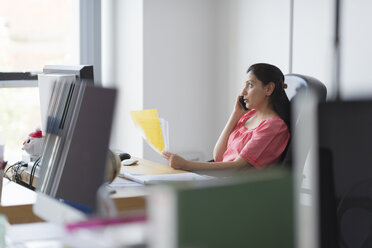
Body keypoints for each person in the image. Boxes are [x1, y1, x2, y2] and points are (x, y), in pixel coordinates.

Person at [162, 63, 290, 171]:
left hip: (240, 189)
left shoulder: (273, 126)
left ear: (268, 89)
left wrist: (187, 165)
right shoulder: (249, 116)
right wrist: (235, 115)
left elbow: (237, 166)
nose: (243, 92)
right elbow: (218, 156)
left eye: (250, 85)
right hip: (222, 180)